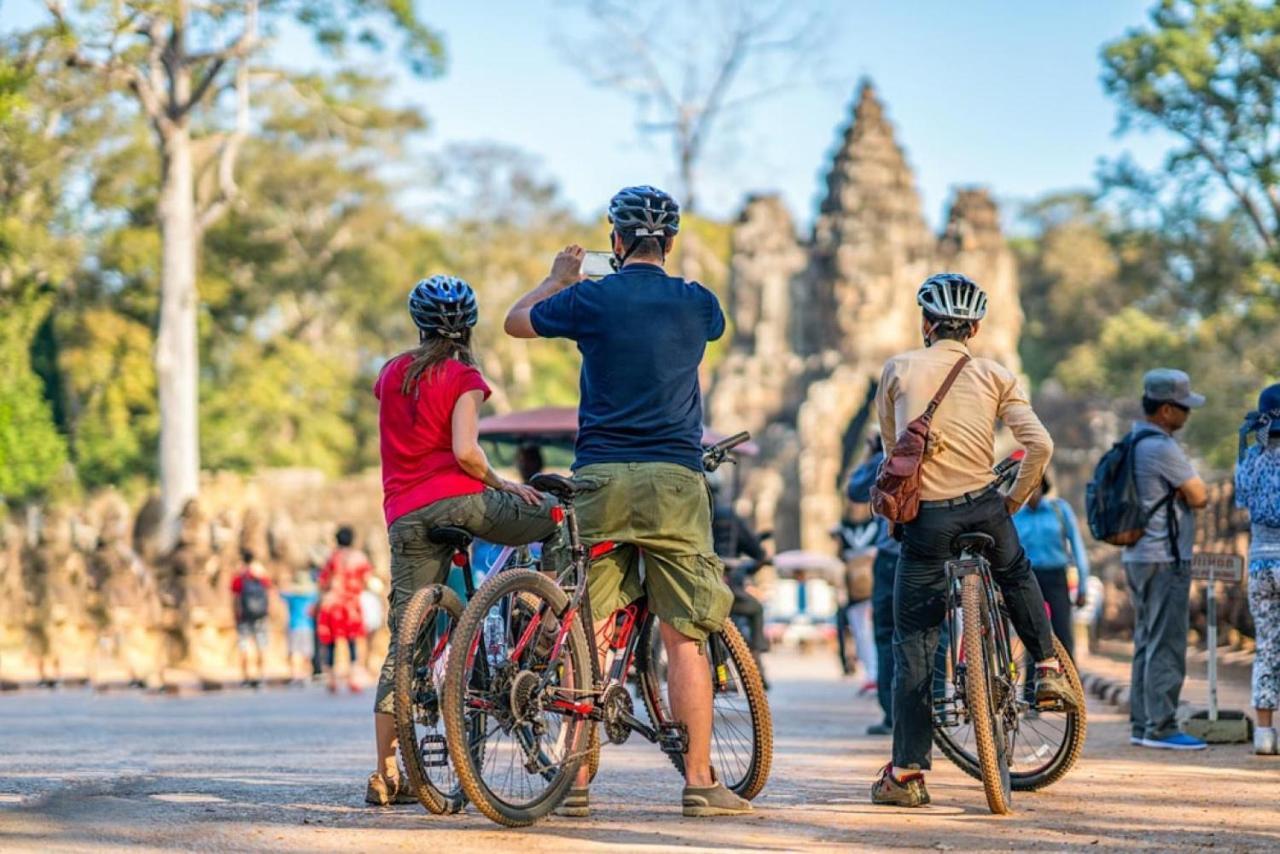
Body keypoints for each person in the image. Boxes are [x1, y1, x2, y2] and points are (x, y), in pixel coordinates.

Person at [505, 185, 749, 818]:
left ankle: (576, 782)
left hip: (602, 477)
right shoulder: (698, 303)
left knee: (584, 630)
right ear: (669, 243)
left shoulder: (589, 297)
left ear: (614, 241)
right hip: (674, 480)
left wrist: (556, 279)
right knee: (685, 636)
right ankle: (699, 781)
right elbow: (715, 330)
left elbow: (514, 321)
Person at [871, 272, 1074, 807]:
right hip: (986, 508)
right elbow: (1040, 445)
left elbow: (893, 451)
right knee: (1017, 572)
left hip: (928, 522)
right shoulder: (994, 374)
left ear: (926, 324)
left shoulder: (898, 369)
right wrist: (1012, 502)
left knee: (914, 642)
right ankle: (1048, 666)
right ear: (976, 328)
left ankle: (909, 774)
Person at [369, 275, 567, 807]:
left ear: (419, 324)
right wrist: (504, 484)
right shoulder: (462, 374)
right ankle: (544, 612)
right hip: (463, 501)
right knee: (554, 517)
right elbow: (465, 451)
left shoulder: (390, 373)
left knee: (404, 643)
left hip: (404, 515)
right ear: (469, 327)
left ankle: (386, 772)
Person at [1124, 369, 1209, 751]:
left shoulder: (1131, 441)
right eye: (1183, 408)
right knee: (1168, 643)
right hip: (1164, 557)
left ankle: (1142, 723)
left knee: (1146, 639)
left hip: (1138, 556)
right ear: (1165, 410)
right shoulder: (1161, 447)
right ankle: (1161, 726)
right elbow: (1200, 495)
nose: (1187, 415)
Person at [1235, 383, 1280, 755]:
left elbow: (1241, 502)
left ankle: (1265, 734)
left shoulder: (1250, 457)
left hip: (1261, 561)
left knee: (1267, 646)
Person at [1012, 474, 1091, 662]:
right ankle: (1032, 690)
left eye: (1035, 486)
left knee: (1063, 634)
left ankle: (1071, 687)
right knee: (1033, 636)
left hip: (1056, 577)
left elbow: (1078, 549)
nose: (1031, 492)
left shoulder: (1059, 510)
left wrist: (1082, 587)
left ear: (1042, 486)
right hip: (1028, 578)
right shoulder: (1015, 516)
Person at [711, 476, 770, 686]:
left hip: (692, 586)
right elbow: (757, 552)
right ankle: (755, 661)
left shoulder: (690, 514)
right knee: (755, 609)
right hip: (727, 586)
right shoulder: (729, 517)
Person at [317, 526, 372, 696]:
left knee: (331, 643)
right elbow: (367, 579)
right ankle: (353, 678)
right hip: (351, 605)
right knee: (352, 641)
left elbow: (323, 582)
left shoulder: (333, 557)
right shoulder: (359, 558)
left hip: (332, 604)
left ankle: (331, 679)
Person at [230, 549, 272, 687]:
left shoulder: (239, 576)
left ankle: (247, 676)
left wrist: (236, 613)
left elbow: (235, 597)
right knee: (262, 644)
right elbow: (268, 591)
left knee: (245, 645)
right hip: (261, 614)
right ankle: (261, 676)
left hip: (244, 616)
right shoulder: (260, 574)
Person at [280, 569, 318, 685]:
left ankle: (296, 675)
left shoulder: (291, 596)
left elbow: (280, 593)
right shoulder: (312, 595)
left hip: (294, 625)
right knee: (307, 652)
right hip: (308, 626)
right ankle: (306, 676)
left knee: (295, 651)